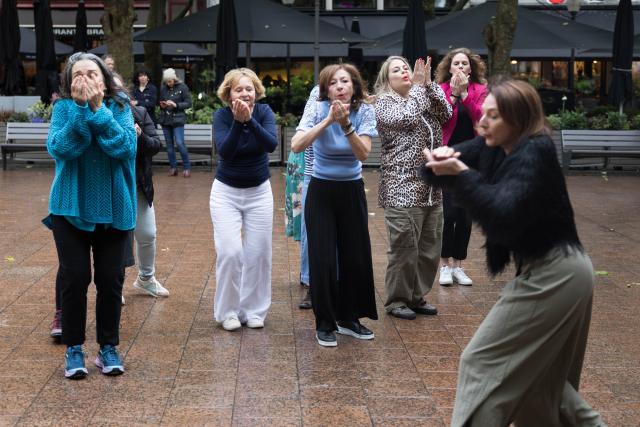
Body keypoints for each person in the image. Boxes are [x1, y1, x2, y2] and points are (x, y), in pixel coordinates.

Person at [421, 79, 605, 426]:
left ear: (519, 120)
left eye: (493, 116)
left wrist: (460, 175)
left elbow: (503, 216)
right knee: (543, 384)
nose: (483, 122)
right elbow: (441, 170)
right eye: (484, 114)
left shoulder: (536, 152)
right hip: (556, 271)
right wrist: (439, 160)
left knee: (481, 363)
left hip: (558, 272)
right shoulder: (493, 144)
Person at [46, 52, 137, 379]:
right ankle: (73, 348)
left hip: (113, 209)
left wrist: (98, 111)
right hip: (69, 209)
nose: (85, 79)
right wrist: (82, 111)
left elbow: (125, 148)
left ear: (105, 79)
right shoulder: (63, 109)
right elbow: (61, 149)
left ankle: (108, 348)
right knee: (75, 277)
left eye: (92, 73)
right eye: (79, 74)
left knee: (111, 280)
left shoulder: (121, 107)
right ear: (70, 82)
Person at [291, 63, 378, 347]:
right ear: (326, 89)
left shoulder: (364, 110)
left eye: (345, 81)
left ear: (354, 86)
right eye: (333, 83)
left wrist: (347, 125)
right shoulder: (316, 108)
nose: (340, 86)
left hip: (351, 190)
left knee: (355, 255)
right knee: (323, 257)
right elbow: (296, 145)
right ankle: (325, 323)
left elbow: (363, 153)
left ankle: (349, 318)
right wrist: (328, 121)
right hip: (321, 190)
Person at [373, 55, 451, 320]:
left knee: (429, 249)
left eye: (406, 67)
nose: (404, 71)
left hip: (431, 188)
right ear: (387, 79)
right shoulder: (384, 102)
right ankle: (396, 301)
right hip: (401, 187)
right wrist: (419, 89)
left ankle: (416, 297)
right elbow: (406, 118)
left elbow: (447, 113)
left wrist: (429, 85)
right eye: (397, 69)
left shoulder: (422, 95)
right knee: (405, 249)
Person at [210, 68, 278, 331]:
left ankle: (254, 310)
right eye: (239, 89)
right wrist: (239, 123)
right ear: (228, 94)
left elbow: (271, 144)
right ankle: (227, 312)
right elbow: (225, 151)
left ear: (256, 92)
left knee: (258, 253)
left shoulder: (264, 112)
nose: (245, 93)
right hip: (226, 193)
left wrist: (250, 120)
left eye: (249, 89)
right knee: (230, 253)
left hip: (259, 192)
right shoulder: (222, 116)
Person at [434, 47, 488, 287]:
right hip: (447, 156)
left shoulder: (480, 91)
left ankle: (458, 266)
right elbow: (442, 119)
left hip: (472, 158)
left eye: (465, 64)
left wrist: (466, 94)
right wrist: (454, 96)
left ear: (471, 68)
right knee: (448, 214)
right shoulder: (441, 90)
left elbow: (482, 118)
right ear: (449, 67)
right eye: (456, 63)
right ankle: (444, 265)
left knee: (465, 215)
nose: (460, 67)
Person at [297, 85, 320, 310]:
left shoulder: (357, 103)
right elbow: (300, 139)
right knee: (310, 231)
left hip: (346, 179)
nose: (339, 86)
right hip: (314, 175)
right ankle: (310, 282)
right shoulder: (317, 94)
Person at [159, 68, 192, 178]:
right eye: (167, 81)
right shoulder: (163, 89)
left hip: (178, 119)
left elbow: (188, 103)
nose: (168, 83)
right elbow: (160, 102)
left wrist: (176, 105)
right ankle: (173, 168)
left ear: (174, 79)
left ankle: (187, 167)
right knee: (169, 146)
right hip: (165, 120)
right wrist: (162, 105)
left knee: (180, 143)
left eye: (170, 81)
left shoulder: (183, 87)